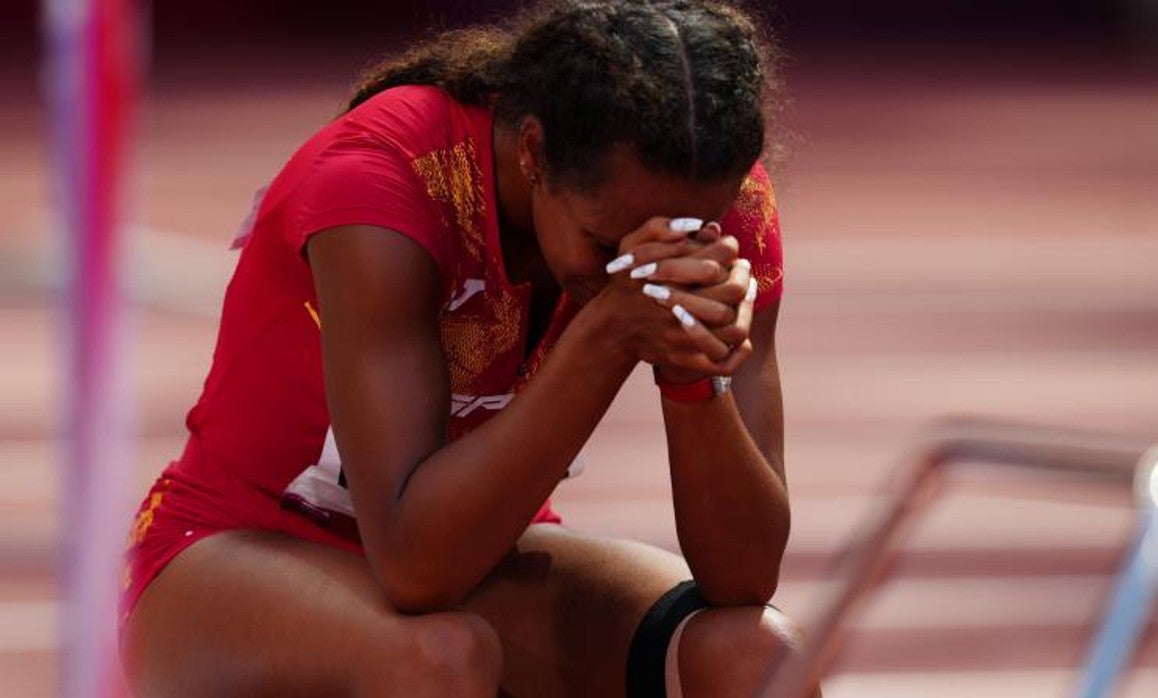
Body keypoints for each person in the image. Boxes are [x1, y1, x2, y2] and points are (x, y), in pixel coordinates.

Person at [120, 1, 813, 695]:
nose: (631, 271)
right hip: (239, 547)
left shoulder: (727, 206)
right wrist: (609, 335)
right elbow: (416, 569)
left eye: (669, 252)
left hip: (477, 552)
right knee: (440, 659)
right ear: (534, 153)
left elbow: (744, 574)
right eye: (608, 248)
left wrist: (692, 372)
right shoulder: (382, 180)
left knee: (756, 659)